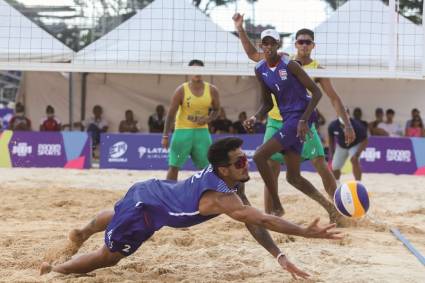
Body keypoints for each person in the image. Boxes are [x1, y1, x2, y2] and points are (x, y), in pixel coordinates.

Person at [39, 137, 343, 279]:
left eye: (245, 158)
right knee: (109, 259)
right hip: (144, 210)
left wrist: (279, 255)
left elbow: (254, 221)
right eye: (239, 162)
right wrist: (305, 232)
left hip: (150, 191)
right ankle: (55, 270)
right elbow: (263, 219)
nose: (245, 163)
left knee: (117, 215)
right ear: (224, 170)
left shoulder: (231, 181)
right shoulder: (223, 198)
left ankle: (82, 231)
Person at [233, 14, 355, 218]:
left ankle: (336, 209)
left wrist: (347, 123)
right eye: (301, 41)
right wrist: (240, 28)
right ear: (295, 44)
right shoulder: (277, 59)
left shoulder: (311, 68)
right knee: (277, 169)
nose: (304, 45)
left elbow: (332, 98)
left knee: (319, 164)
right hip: (276, 120)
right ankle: (271, 214)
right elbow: (253, 54)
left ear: (313, 46)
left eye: (308, 42)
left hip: (302, 121)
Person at [162, 59, 220, 180]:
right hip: (183, 131)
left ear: (203, 71)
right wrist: (165, 136)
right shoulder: (181, 90)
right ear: (189, 72)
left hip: (202, 132)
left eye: (199, 70)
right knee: (174, 166)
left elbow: (216, 110)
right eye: (193, 70)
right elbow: (170, 114)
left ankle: (205, 194)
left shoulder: (212, 90)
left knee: (206, 168)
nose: (196, 73)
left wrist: (207, 119)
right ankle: (168, 193)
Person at [328, 115, 368, 182]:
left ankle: (358, 182)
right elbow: (331, 140)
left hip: (354, 144)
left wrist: (357, 154)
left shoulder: (356, 125)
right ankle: (337, 182)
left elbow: (365, 140)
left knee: (354, 159)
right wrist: (331, 153)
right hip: (341, 146)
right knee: (335, 166)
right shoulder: (333, 125)